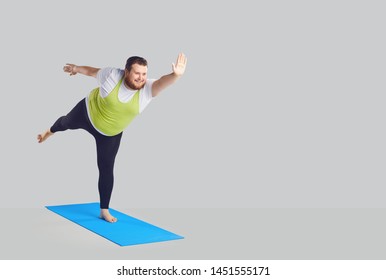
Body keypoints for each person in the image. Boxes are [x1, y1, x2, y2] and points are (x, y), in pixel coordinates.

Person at [37, 53, 187, 223]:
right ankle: (48, 131)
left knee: (106, 168)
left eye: (144, 74)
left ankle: (104, 210)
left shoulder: (148, 90)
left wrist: (175, 75)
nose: (141, 78)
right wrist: (75, 69)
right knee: (65, 123)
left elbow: (161, 82)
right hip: (88, 112)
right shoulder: (112, 76)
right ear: (126, 72)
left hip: (110, 134)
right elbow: (92, 72)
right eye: (137, 73)